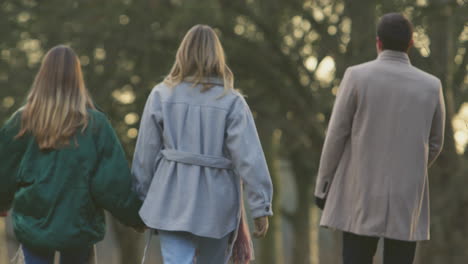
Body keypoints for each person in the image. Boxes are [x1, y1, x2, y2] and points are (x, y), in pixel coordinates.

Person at [132, 24, 273, 264]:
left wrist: (139, 200)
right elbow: (249, 157)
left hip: (171, 199)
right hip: (216, 204)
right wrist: (261, 206)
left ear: (182, 53)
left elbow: (145, 154)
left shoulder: (161, 95)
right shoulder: (231, 101)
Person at [314, 13, 445, 264]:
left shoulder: (356, 76)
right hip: (407, 196)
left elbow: (336, 136)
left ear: (378, 42)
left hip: (359, 194)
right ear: (411, 43)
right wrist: (413, 167)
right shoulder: (431, 85)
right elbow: (436, 142)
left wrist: (323, 186)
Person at [0, 45, 144, 264]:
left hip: (34, 226)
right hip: (79, 227)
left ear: (42, 76)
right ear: (77, 78)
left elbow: (4, 169)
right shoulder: (95, 125)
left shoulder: (22, 121)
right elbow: (112, 185)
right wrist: (137, 217)